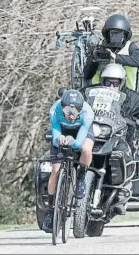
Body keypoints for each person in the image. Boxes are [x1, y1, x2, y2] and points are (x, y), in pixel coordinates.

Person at [80, 63, 139, 214]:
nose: (111, 86)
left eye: (115, 83)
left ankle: (122, 189)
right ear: (102, 81)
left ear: (122, 83)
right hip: (94, 135)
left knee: (121, 154)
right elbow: (76, 103)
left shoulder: (133, 98)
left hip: (120, 138)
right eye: (108, 82)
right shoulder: (90, 92)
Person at [42, 90, 95, 233]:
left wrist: (73, 142)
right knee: (55, 170)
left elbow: (78, 143)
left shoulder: (87, 113)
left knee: (86, 149)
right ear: (62, 106)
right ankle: (51, 211)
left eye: (76, 110)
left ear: (81, 108)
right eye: (67, 109)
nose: (71, 114)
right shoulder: (54, 110)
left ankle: (82, 176)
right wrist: (59, 139)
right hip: (62, 130)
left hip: (80, 132)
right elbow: (55, 135)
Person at [83, 14, 139, 90]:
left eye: (119, 33)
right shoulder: (99, 46)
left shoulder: (129, 46)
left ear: (125, 35)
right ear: (108, 34)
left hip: (126, 93)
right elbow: (87, 75)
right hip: (99, 92)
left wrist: (116, 57)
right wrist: (94, 59)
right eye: (113, 33)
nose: (116, 36)